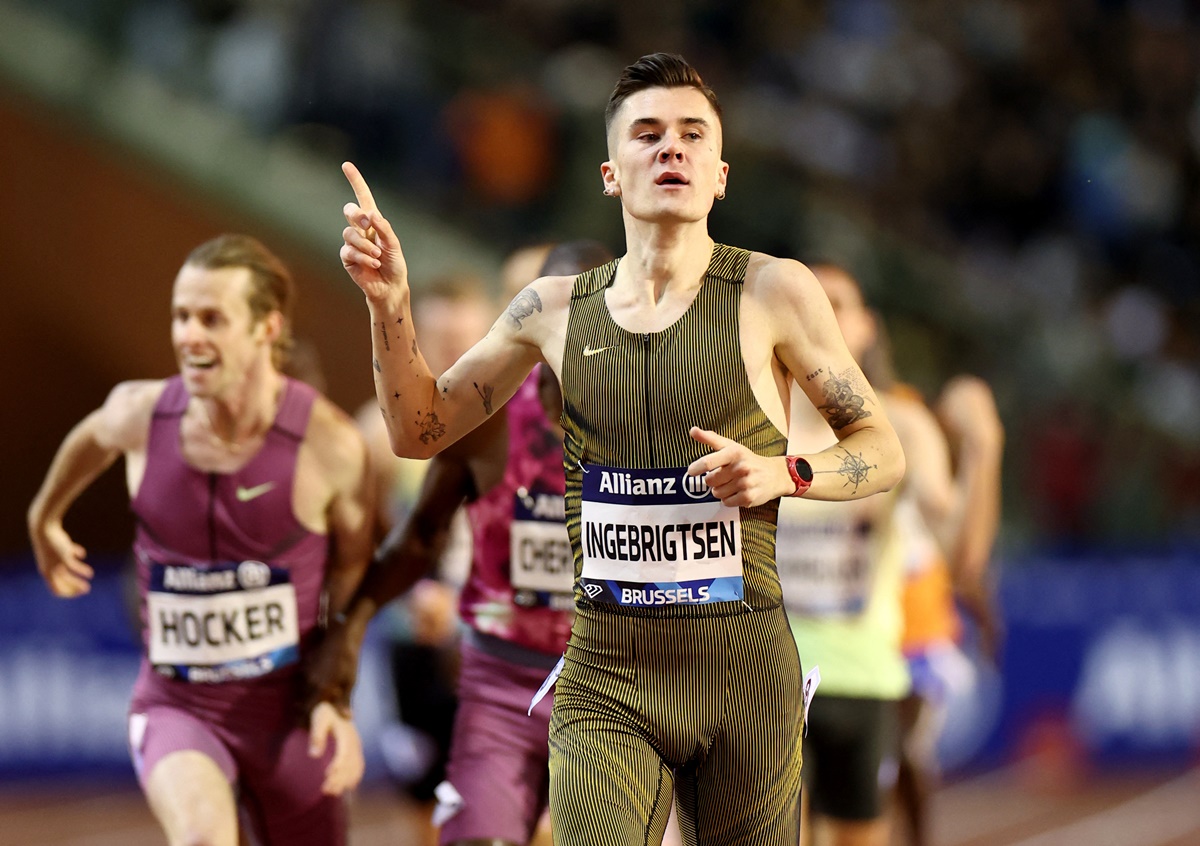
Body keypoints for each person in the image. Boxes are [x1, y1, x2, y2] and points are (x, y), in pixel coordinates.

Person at [338, 53, 906, 846]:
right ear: (611, 173)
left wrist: (784, 471)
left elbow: (882, 449)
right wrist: (390, 305)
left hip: (742, 671)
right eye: (647, 134)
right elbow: (418, 429)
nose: (669, 148)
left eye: (690, 134)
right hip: (608, 675)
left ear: (720, 174)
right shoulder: (551, 308)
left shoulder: (775, 292)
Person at [27, 234, 373, 846]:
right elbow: (93, 436)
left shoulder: (330, 446)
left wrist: (334, 695)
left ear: (268, 327)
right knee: (203, 838)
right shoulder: (143, 414)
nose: (189, 336)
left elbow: (354, 572)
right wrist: (45, 516)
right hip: (176, 706)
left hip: (287, 715)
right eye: (181, 317)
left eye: (212, 319)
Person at [308, 239, 614, 846]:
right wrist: (352, 620)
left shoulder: (660, 425)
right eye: (555, 306)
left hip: (615, 690)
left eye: (594, 308)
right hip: (499, 680)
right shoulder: (487, 416)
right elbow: (419, 535)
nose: (574, 326)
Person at [779, 263, 1001, 846]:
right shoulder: (754, 418)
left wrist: (984, 449)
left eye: (836, 302)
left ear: (867, 326)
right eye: (806, 301)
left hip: (867, 680)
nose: (820, 314)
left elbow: (960, 559)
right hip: (770, 679)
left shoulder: (902, 425)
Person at [352, 272, 494, 802]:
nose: (453, 353)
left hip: (498, 638)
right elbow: (355, 529)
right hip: (412, 639)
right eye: (439, 340)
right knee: (424, 797)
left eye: (465, 340)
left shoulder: (517, 421)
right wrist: (403, 592)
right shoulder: (377, 429)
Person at [892, 373, 1004, 846]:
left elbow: (963, 556)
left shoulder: (908, 421)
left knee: (908, 756)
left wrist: (985, 613)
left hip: (919, 632)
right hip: (860, 634)